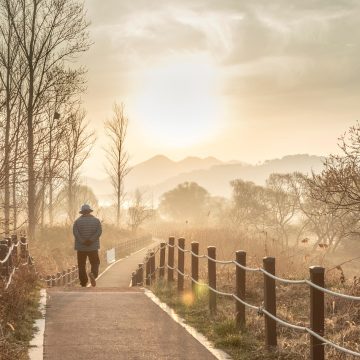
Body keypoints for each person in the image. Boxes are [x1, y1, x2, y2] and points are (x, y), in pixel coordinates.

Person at [73, 204, 102, 287]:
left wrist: (83, 241)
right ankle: (93, 274)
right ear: (90, 211)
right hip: (93, 247)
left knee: (81, 265)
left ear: (82, 212)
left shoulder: (77, 222)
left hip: (81, 248)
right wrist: (91, 240)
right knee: (95, 262)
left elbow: (75, 233)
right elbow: (99, 232)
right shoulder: (96, 221)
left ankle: (83, 282)